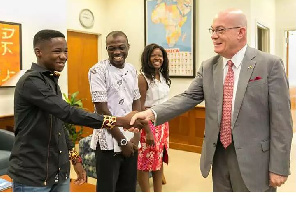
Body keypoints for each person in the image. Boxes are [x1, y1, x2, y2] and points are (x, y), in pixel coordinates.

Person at [131, 8, 293, 192]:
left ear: (241, 32)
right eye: (212, 30)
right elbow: (189, 97)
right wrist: (152, 113)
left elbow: (282, 121)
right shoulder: (209, 67)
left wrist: (279, 166)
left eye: (220, 30)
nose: (213, 36)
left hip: (255, 159)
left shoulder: (269, 65)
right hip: (218, 154)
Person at [8, 29, 143, 192]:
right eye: (57, 51)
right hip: (33, 175)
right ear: (39, 52)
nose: (63, 56)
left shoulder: (50, 79)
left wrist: (75, 158)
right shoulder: (31, 81)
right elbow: (68, 112)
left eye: (65, 51)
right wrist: (121, 121)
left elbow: (58, 122)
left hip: (58, 172)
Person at [88, 31, 142, 192]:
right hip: (108, 141)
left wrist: (136, 134)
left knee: (128, 187)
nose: (117, 52)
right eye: (112, 48)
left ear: (128, 47)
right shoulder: (97, 71)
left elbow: (136, 101)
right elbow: (102, 110)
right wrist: (122, 141)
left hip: (131, 139)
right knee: (107, 188)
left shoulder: (132, 70)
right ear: (106, 48)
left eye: (121, 47)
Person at [137, 43, 171, 192]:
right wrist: (148, 130)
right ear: (147, 58)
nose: (157, 58)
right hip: (148, 124)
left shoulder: (163, 76)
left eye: (160, 55)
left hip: (163, 123)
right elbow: (139, 107)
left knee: (159, 161)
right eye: (153, 55)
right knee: (144, 163)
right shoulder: (142, 77)